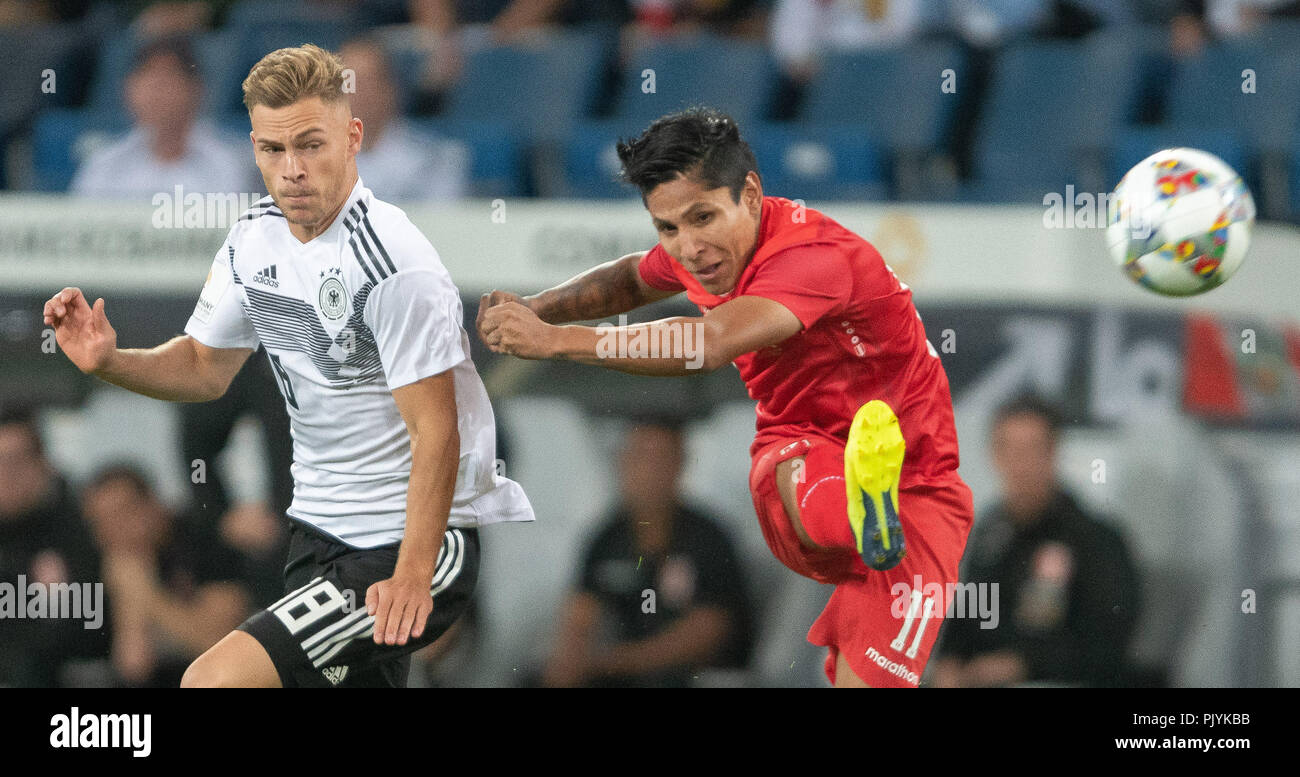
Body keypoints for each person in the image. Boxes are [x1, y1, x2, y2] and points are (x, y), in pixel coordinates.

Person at [43, 43, 534, 688]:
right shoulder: (252, 238)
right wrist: (109, 360)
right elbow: (201, 367)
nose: (293, 168)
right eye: (275, 150)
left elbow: (436, 431)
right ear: (254, 149)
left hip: (408, 549)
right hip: (315, 542)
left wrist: (412, 576)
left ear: (352, 137)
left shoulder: (392, 260)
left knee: (211, 683)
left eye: (311, 144)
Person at [478, 108, 973, 687]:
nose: (689, 248)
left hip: (915, 490)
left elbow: (706, 342)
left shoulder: (814, 258)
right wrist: (535, 307)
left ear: (754, 195)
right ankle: (860, 507)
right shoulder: (708, 248)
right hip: (826, 465)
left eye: (702, 218)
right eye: (668, 228)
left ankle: (864, 506)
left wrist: (556, 341)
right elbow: (631, 278)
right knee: (799, 462)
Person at [928, 394, 1141, 687]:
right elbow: (971, 608)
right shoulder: (992, 531)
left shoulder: (1094, 539)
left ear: (1053, 452)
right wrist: (949, 659)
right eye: (1009, 450)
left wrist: (1022, 664)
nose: (1020, 465)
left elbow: (1107, 641)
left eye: (1031, 450)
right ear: (994, 455)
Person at [542, 418, 755, 687]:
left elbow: (707, 633)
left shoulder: (709, 538)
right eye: (639, 457)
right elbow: (580, 615)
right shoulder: (606, 538)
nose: (648, 473)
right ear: (622, 462)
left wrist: (614, 661)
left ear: (681, 465)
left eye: (660, 460)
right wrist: (568, 661)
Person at [81, 464, 252, 687]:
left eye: (123, 512)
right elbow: (133, 667)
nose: (116, 529)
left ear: (151, 503)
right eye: (102, 522)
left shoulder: (201, 540)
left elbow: (218, 641)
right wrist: (129, 603)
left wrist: (146, 594)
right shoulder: (115, 566)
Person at [0, 406, 108, 687]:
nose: (5, 475)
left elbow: (95, 634)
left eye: (13, 461)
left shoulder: (85, 528)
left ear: (42, 463)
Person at [69, 34, 253, 198]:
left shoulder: (230, 164)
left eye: (168, 77)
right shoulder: (103, 165)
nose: (156, 89)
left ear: (197, 89)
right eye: (147, 77)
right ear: (127, 89)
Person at [340, 36, 470, 202]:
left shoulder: (436, 159)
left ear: (391, 88)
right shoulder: (311, 162)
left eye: (368, 81)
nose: (358, 94)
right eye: (348, 83)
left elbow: (446, 222)